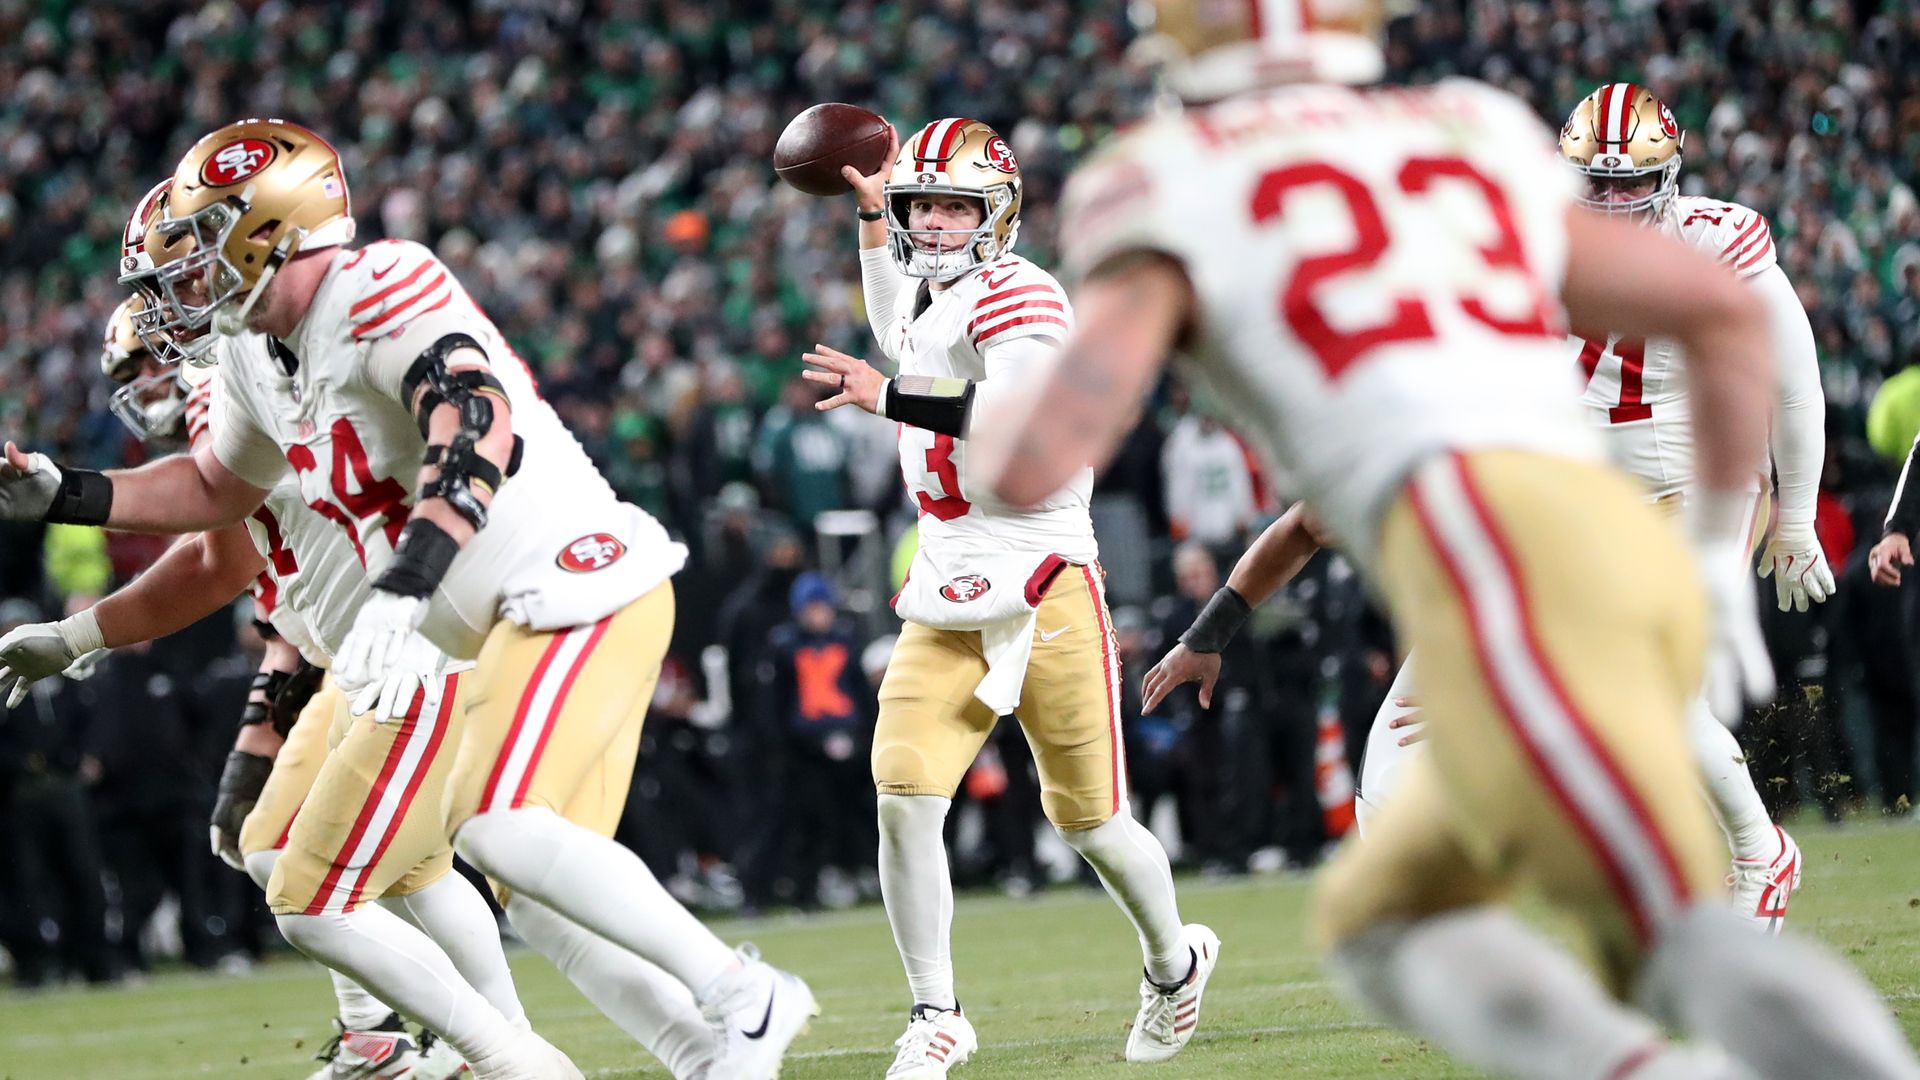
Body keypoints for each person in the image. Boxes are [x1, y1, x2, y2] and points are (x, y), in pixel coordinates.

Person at [974, 4, 1920, 1078]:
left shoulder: (1160, 182)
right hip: (1571, 524)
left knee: (1603, 930)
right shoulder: (1469, 127)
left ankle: (1752, 877)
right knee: (1411, 901)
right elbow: (1720, 312)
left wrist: (972, 376)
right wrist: (1714, 543)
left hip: (1508, 542)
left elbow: (1034, 459)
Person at [0, 120, 809, 1079]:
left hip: (567, 580)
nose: (194, 283)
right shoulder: (258, 356)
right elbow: (220, 492)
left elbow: (477, 420)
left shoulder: (379, 282)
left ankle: (742, 993)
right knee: (532, 883)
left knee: (495, 827)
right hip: (473, 627)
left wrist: (405, 583)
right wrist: (66, 497)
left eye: (206, 248)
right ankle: (705, 1053)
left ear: (270, 228)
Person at [801, 117, 1217, 1075]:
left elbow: (1020, 411)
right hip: (946, 577)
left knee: (1092, 822)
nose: (936, 223)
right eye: (923, 207)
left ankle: (1172, 963)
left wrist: (887, 397)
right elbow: (898, 332)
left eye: (954, 206)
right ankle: (936, 1013)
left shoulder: (1021, 291)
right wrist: (873, 225)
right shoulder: (937, 290)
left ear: (999, 214)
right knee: (902, 792)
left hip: (1042, 574)